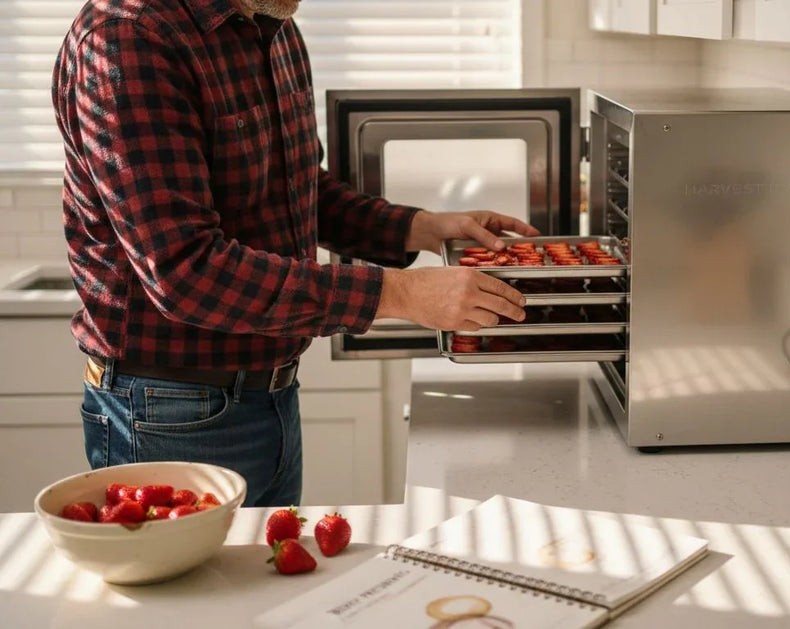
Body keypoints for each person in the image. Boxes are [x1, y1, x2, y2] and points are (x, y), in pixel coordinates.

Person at [52, 0, 534, 507]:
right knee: (199, 588)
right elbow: (186, 270)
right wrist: (400, 293)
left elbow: (300, 190)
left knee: (270, 583)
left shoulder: (273, 26)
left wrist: (423, 228)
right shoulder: (129, 39)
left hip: (273, 395)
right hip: (168, 412)